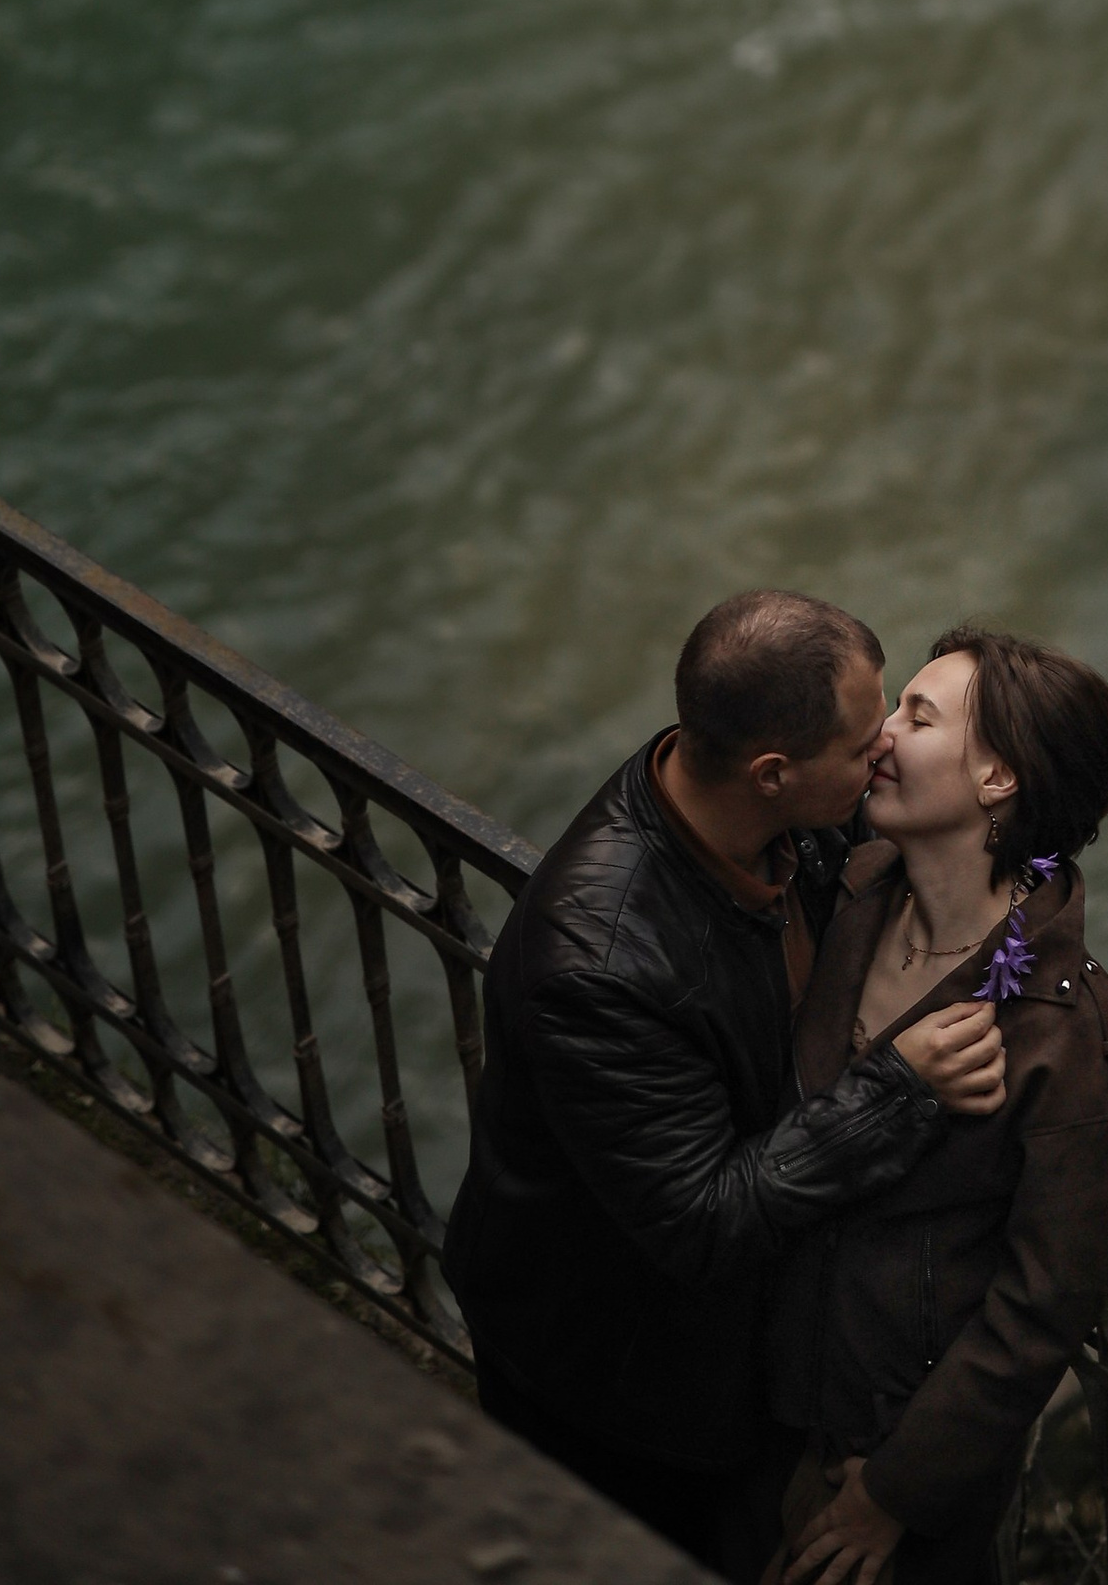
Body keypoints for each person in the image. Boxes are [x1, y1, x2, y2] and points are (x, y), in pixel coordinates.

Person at [444, 591, 1010, 1573]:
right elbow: (701, 1220)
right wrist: (898, 1090)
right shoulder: (599, 967)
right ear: (772, 772)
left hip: (718, 1344)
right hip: (610, 1374)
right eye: (861, 743)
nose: (884, 745)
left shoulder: (767, 812)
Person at [764, 626, 1108, 1585]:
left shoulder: (1072, 1041)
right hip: (761, 1404)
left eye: (918, 716)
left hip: (884, 1468)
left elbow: (1042, 1309)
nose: (881, 734)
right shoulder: (853, 891)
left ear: (997, 780)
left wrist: (891, 1493)